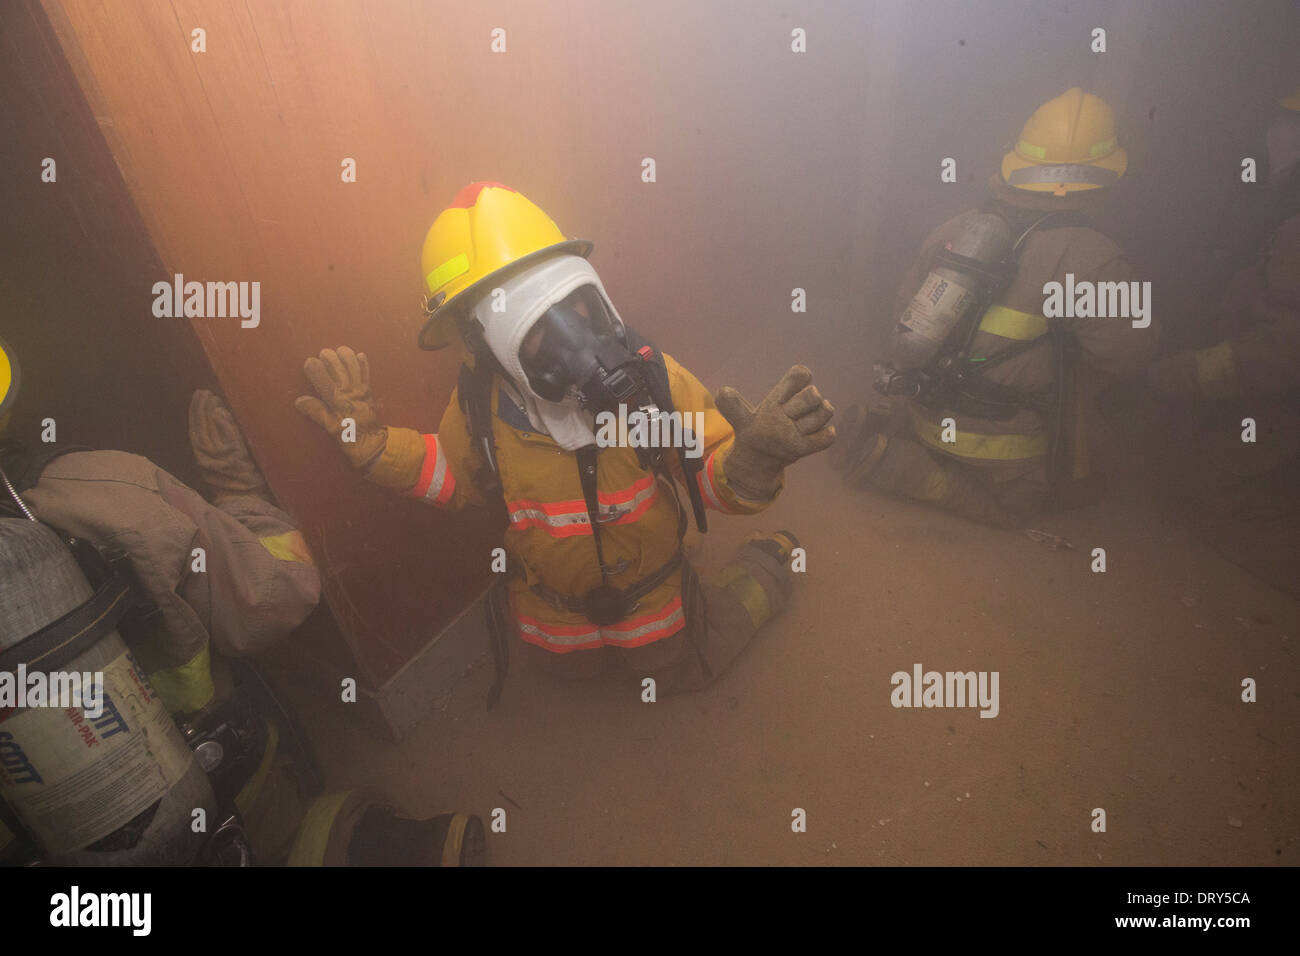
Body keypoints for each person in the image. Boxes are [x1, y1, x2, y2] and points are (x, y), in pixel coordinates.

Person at [295, 182, 835, 697]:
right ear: (481, 342)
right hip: (553, 620)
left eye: (573, 302)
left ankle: (767, 564)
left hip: (653, 605)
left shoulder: (652, 384)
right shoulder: (480, 411)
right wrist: (369, 445)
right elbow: (456, 476)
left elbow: (707, 479)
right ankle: (581, 653)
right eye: (535, 317)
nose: (573, 335)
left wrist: (752, 461)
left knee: (689, 664)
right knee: (569, 672)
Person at [834, 88, 1158, 527]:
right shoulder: (1097, 258)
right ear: (1104, 179)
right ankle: (920, 475)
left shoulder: (955, 229)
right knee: (1024, 510)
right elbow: (1132, 357)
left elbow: (901, 321)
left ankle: (899, 442)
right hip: (1008, 455)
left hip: (925, 419)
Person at [1142, 88, 1300, 597]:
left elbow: (1283, 351)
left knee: (1213, 490)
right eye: (1279, 122)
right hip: (1265, 376)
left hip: (1277, 383)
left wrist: (1178, 374)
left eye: (1293, 128)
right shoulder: (1268, 200)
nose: (1277, 137)